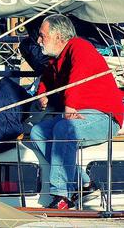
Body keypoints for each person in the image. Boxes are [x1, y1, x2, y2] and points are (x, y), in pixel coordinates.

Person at [29, 14, 123, 209]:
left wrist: (70, 106)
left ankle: (60, 195)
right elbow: (47, 79)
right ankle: (84, 184)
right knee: (37, 132)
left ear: (58, 36)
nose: (38, 41)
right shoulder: (57, 60)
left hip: (105, 117)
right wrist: (41, 95)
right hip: (81, 116)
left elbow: (77, 76)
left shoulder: (79, 46)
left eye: (42, 35)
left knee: (65, 129)